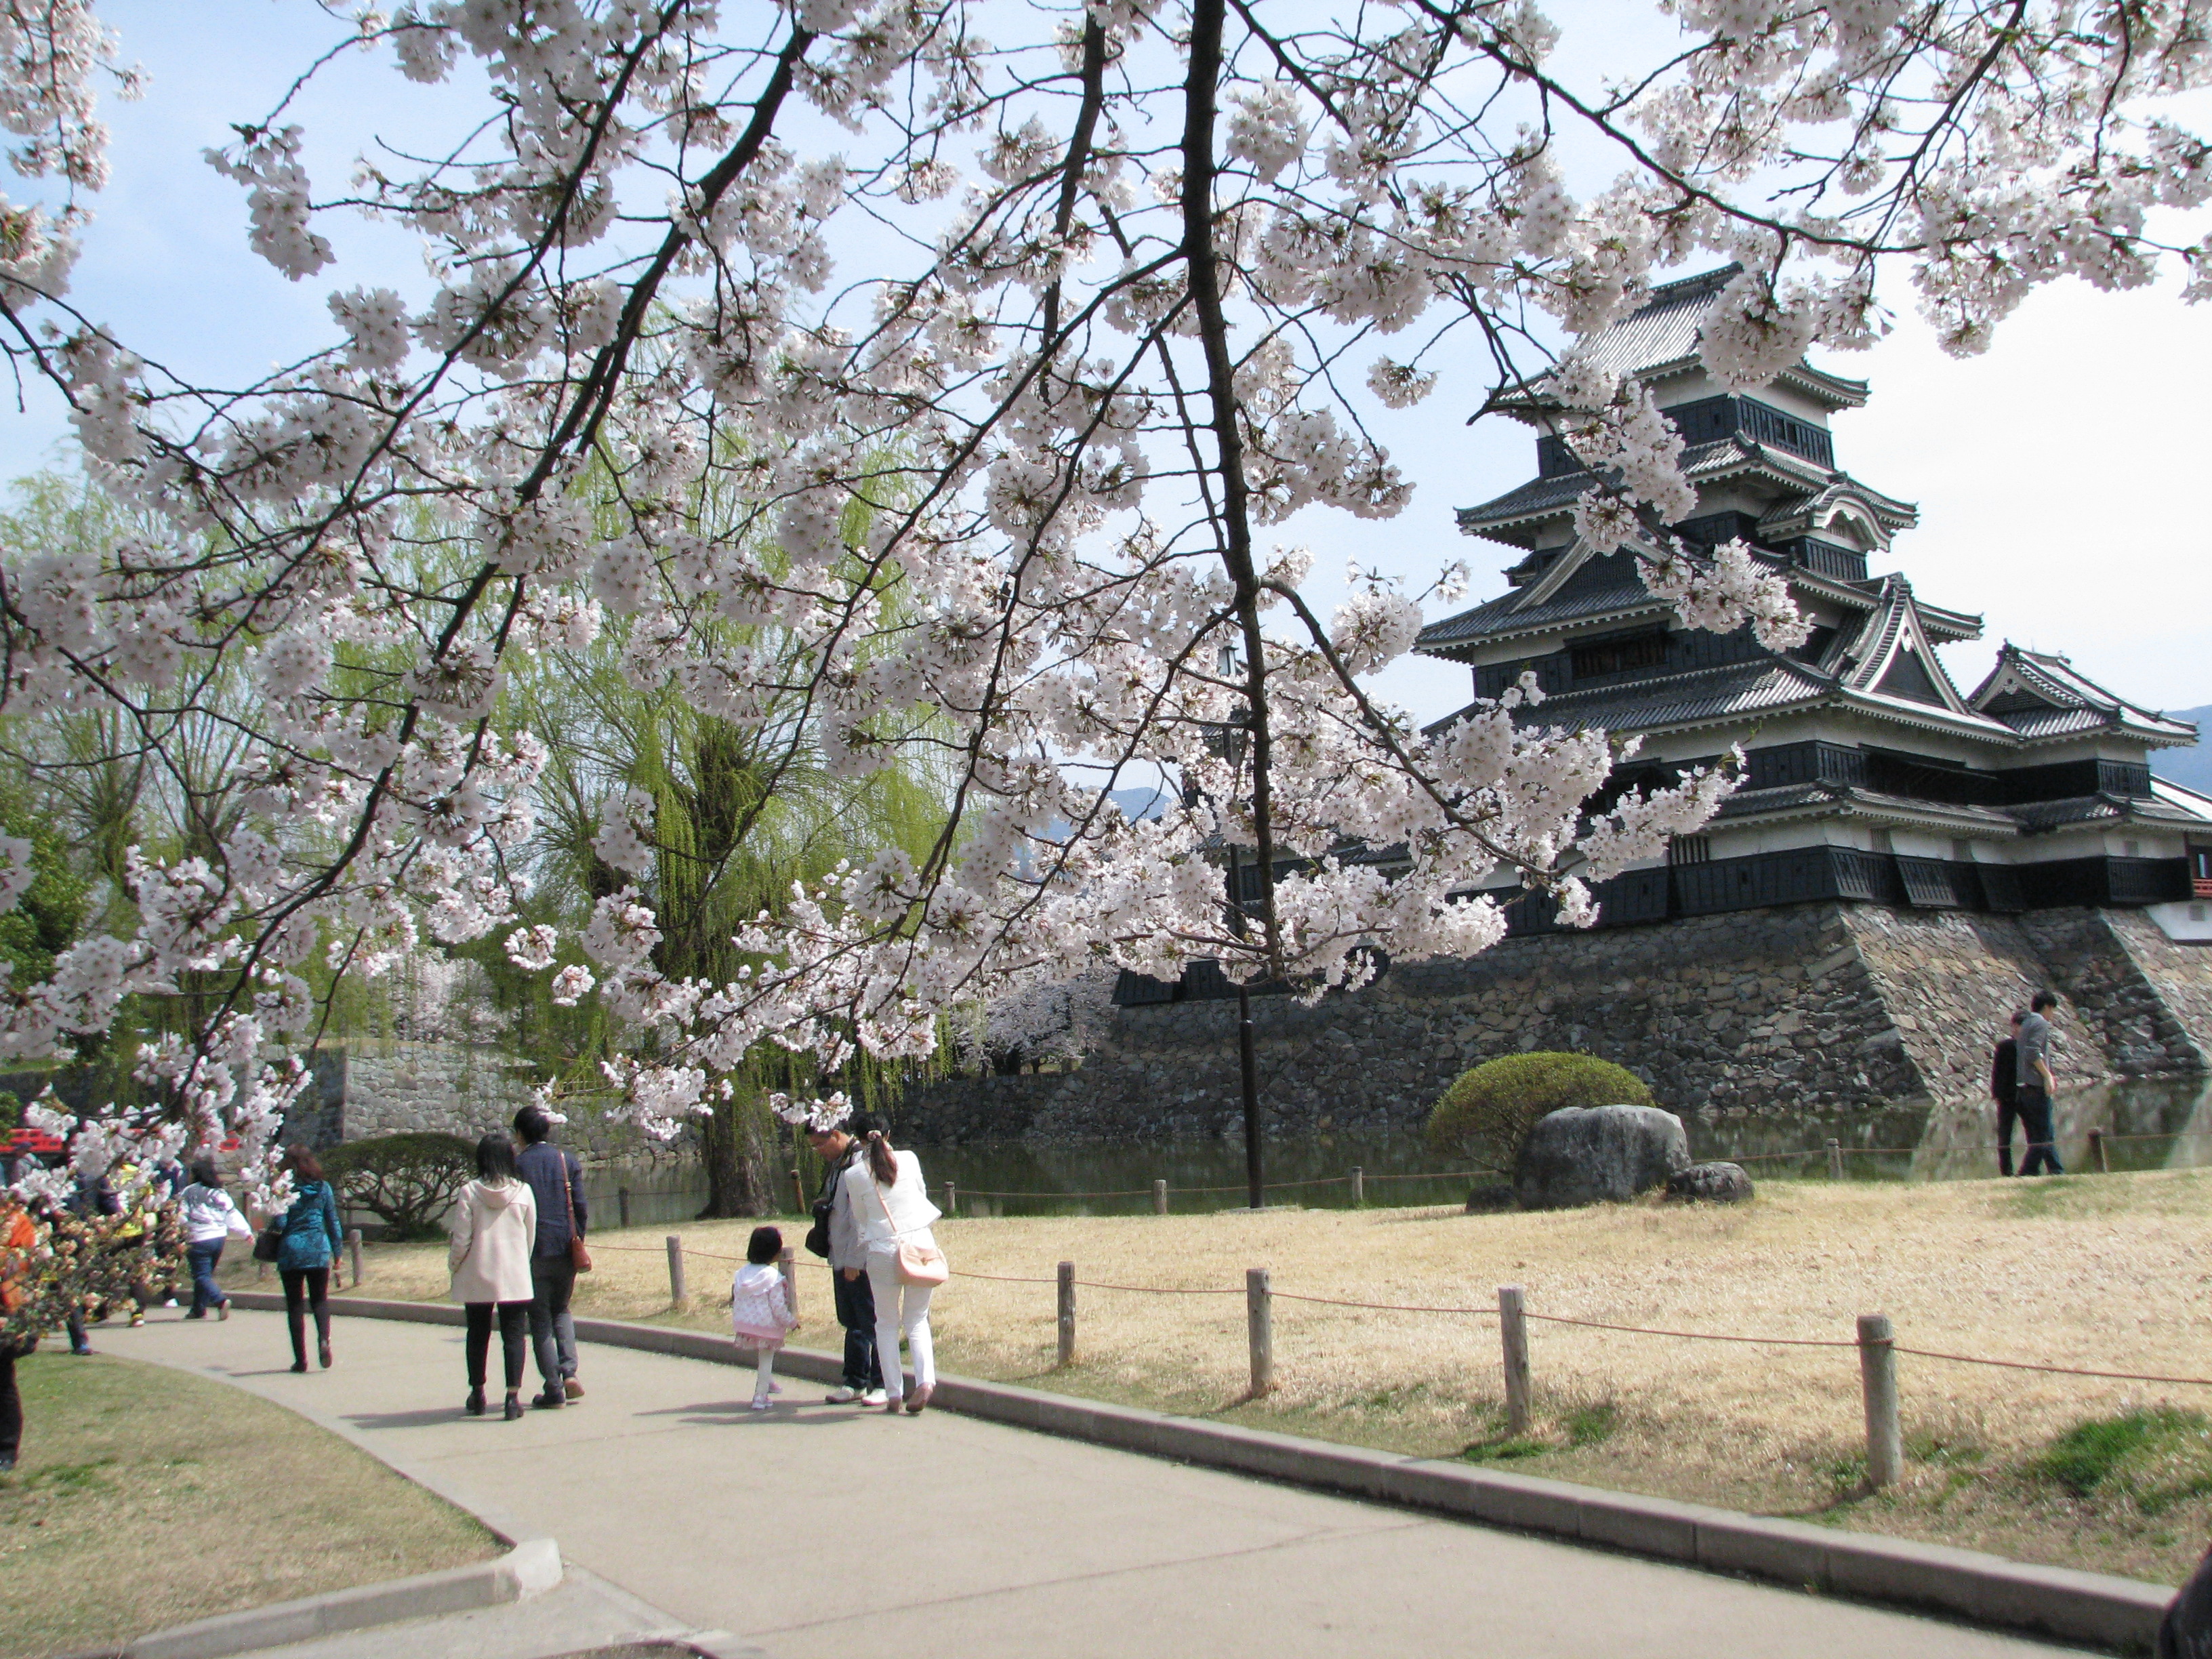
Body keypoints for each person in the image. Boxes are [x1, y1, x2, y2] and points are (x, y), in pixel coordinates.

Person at [843, 1128, 943, 1415]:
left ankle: (893, 1392)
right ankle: (925, 1381)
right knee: (917, 1319)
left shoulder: (854, 1174)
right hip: (920, 1244)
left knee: (886, 1323)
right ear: (887, 1133)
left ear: (858, 1138)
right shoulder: (909, 1158)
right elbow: (921, 1195)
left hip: (883, 1248)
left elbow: (861, 1216)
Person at [448, 1132, 538, 1422]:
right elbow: (530, 1235)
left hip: (477, 1272)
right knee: (514, 1335)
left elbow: (461, 1238)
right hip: (514, 1274)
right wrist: (521, 1262)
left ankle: (477, 1393)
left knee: (477, 1334)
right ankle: (512, 1398)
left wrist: (454, 1265)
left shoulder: (469, 1192)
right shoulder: (523, 1191)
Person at [806, 1111, 885, 1406]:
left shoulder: (859, 1163)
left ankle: (882, 1382)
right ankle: (854, 1381)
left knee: (872, 1322)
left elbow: (862, 1218)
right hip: (840, 1254)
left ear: (836, 1135)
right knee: (852, 1321)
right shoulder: (838, 1164)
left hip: (859, 1259)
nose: (818, 1151)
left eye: (820, 1144)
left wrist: (855, 1259)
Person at [512, 1105, 588, 1410]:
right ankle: (570, 1372)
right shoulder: (565, 1160)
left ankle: (554, 1388)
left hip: (532, 1250)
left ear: (520, 1134)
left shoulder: (517, 1165)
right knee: (562, 1310)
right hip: (565, 1247)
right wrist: (578, 1240)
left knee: (540, 1318)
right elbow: (580, 1207)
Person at [274, 1147, 345, 1370]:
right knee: (320, 1300)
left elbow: (280, 1223)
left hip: (292, 1249)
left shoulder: (284, 1189)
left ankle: (301, 1360)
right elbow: (332, 1221)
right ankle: (324, 1340)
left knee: (295, 1305)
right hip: (318, 1247)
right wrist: (338, 1252)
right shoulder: (323, 1187)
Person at [730, 1225, 798, 1411]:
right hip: (767, 1326)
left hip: (745, 1323)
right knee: (766, 1357)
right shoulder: (773, 1277)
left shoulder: (742, 1273)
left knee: (763, 1356)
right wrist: (792, 1322)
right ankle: (760, 1397)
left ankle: (768, 1382)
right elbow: (778, 1308)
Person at [178, 1160, 251, 1319]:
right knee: (206, 1276)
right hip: (218, 1237)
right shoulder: (219, 1192)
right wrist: (246, 1232)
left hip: (198, 1237)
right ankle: (198, 1309)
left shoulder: (189, 1192)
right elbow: (231, 1213)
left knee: (201, 1275)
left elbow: (182, 1215)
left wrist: (181, 1231)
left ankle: (220, 1300)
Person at [0, 1189, 39, 1472]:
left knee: (2, 1381)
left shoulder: (15, 1220)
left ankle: (6, 1448)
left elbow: (21, 1262)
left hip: (5, 1306)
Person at [2015, 989, 2065, 1176]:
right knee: (2043, 1135)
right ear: (2047, 1007)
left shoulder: (2027, 1022)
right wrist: (2047, 1076)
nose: (2052, 1015)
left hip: (2025, 1086)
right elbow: (2033, 1052)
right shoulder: (2040, 1023)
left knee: (2043, 1132)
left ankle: (2056, 1170)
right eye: (2053, 1010)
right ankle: (2028, 1171)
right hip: (2036, 1086)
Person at [1991, 1012, 2023, 1176]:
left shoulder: (2030, 1046)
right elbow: (1997, 1072)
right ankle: (2007, 1171)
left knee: (2036, 1133)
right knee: (2004, 1137)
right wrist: (1997, 1094)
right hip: (2007, 1096)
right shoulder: (2005, 1047)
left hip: (2025, 1095)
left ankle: (2032, 1167)